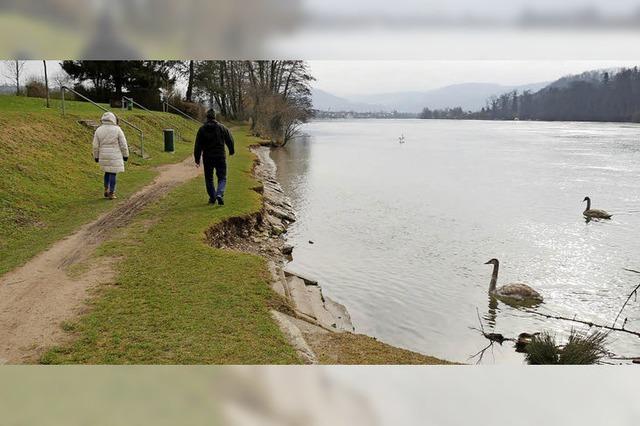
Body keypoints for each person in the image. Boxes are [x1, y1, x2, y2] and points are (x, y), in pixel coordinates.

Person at [194, 109, 235, 205]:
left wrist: (197, 159)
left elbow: (198, 145)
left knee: (209, 178)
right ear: (214, 117)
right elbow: (230, 138)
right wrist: (231, 150)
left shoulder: (202, 129)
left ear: (207, 117)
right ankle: (219, 194)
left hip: (207, 157)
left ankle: (212, 197)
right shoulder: (222, 127)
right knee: (222, 177)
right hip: (220, 156)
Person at [92, 112, 129, 200]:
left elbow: (95, 145)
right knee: (113, 173)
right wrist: (125, 155)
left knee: (107, 172)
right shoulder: (117, 129)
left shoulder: (99, 130)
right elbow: (123, 144)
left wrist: (96, 156)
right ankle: (112, 193)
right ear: (113, 119)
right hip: (114, 155)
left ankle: (106, 189)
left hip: (103, 155)